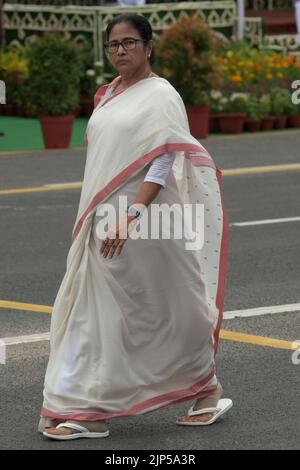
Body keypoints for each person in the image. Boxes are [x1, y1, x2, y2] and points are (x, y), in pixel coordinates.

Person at [38, 13, 232, 440]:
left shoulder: (161, 95)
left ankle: (203, 386)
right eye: (113, 45)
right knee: (97, 309)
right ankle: (84, 405)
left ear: (148, 46)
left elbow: (162, 157)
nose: (120, 51)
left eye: (129, 42)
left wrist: (133, 215)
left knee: (166, 306)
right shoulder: (106, 95)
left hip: (141, 218)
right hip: (100, 216)